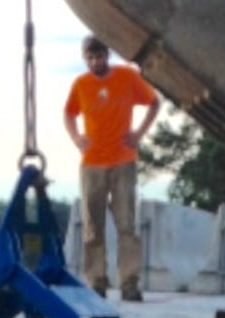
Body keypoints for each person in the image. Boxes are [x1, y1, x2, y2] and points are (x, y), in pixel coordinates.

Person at [64, 35, 161, 301]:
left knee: (126, 225)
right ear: (85, 58)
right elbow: (69, 113)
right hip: (92, 163)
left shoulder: (127, 77)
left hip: (123, 161)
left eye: (100, 56)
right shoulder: (81, 84)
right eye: (90, 58)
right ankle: (97, 282)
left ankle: (129, 283)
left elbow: (154, 102)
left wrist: (139, 133)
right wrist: (76, 137)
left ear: (107, 54)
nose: (96, 62)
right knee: (93, 228)